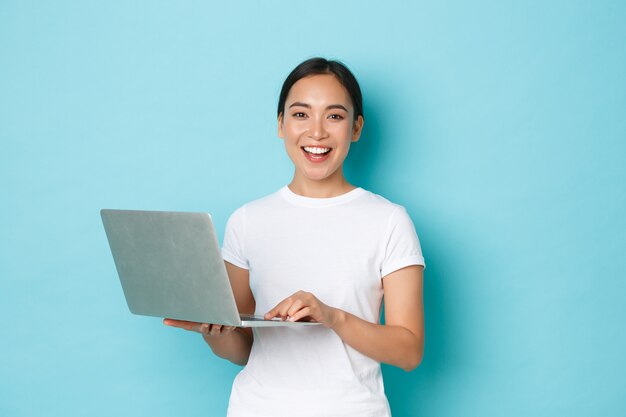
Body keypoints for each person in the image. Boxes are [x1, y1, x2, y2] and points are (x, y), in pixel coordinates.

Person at [164, 57, 425, 417]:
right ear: (281, 125)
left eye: (334, 116)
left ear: (356, 127)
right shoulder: (247, 220)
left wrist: (332, 317)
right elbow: (242, 350)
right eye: (301, 114)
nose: (316, 132)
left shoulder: (389, 221)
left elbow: (409, 351)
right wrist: (214, 331)